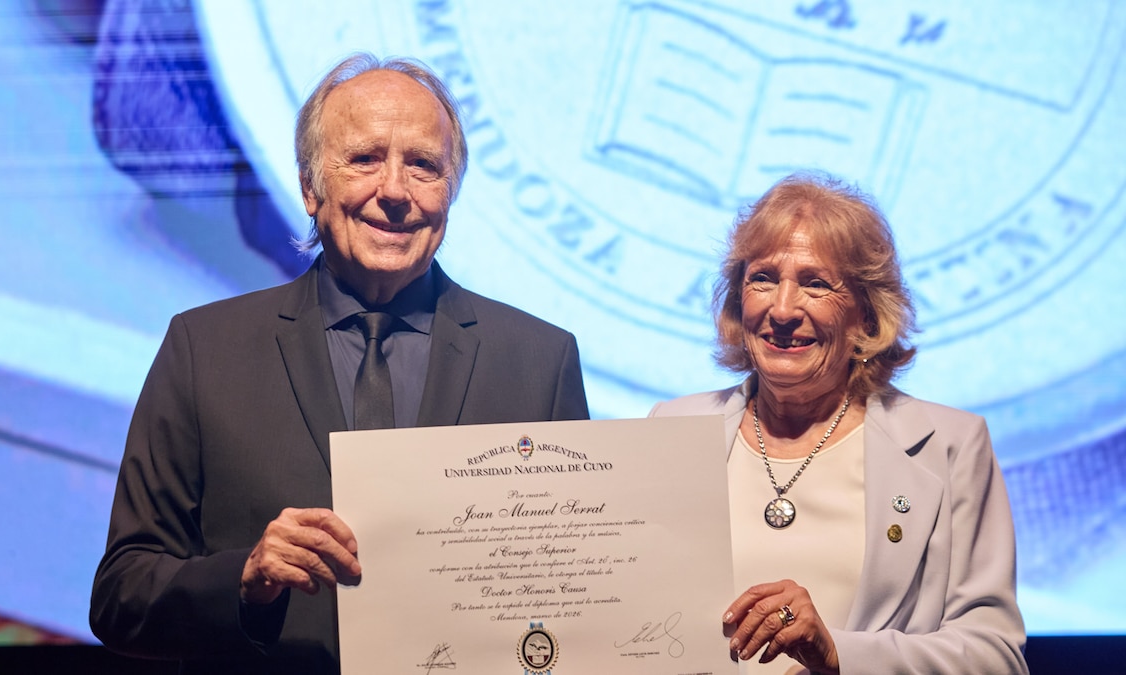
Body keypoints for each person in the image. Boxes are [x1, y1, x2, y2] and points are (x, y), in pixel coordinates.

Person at [89, 53, 589, 673]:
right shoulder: (204, 349)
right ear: (308, 187)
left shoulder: (539, 361)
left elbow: (575, 596)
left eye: (424, 166)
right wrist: (245, 579)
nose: (396, 192)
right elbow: (119, 596)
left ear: (451, 193)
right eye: (364, 159)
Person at [650, 173, 1028, 674]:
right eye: (763, 278)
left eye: (815, 284)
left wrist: (838, 655)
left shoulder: (950, 447)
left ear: (868, 315)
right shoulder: (669, 428)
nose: (782, 309)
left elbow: (995, 658)